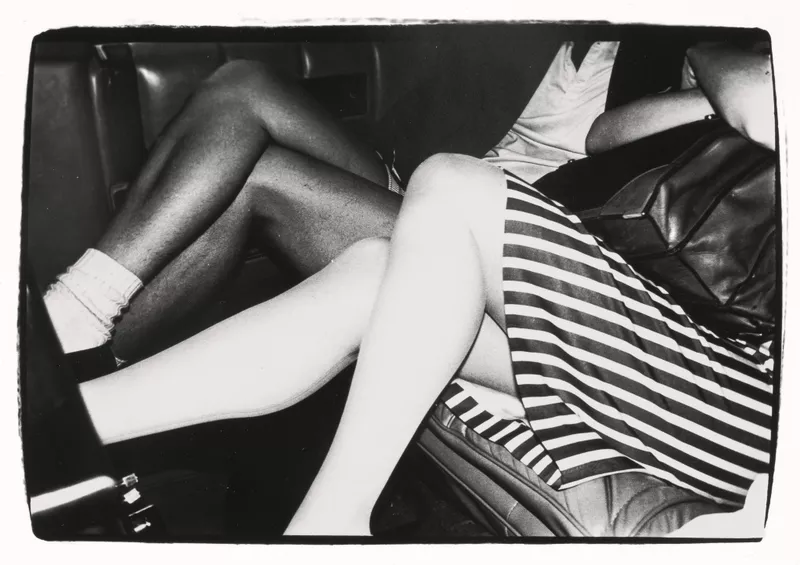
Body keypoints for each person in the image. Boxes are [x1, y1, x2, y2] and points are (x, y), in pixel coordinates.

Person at [40, 40, 775, 535]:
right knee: (367, 261)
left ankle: (72, 329)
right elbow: (602, 136)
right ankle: (57, 423)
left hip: (746, 383)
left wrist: (708, 53)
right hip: (529, 250)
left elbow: (746, 104)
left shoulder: (689, 47)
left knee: (442, 182)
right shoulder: (584, 42)